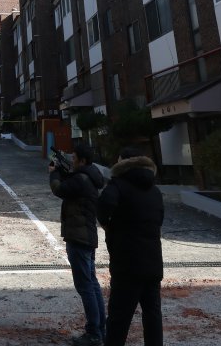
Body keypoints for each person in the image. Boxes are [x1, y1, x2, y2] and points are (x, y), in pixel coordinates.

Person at [97, 147, 165, 346]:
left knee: (119, 317)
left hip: (127, 263)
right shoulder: (155, 190)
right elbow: (159, 220)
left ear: (122, 163)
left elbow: (102, 208)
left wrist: (110, 226)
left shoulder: (117, 185)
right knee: (153, 315)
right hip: (153, 262)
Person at [49, 142, 107, 346]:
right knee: (91, 284)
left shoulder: (82, 179)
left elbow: (60, 190)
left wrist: (54, 173)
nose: (72, 161)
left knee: (85, 286)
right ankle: (100, 329)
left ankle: (94, 333)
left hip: (79, 237)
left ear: (82, 160)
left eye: (74, 158)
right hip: (86, 237)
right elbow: (71, 185)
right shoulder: (89, 176)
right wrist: (63, 172)